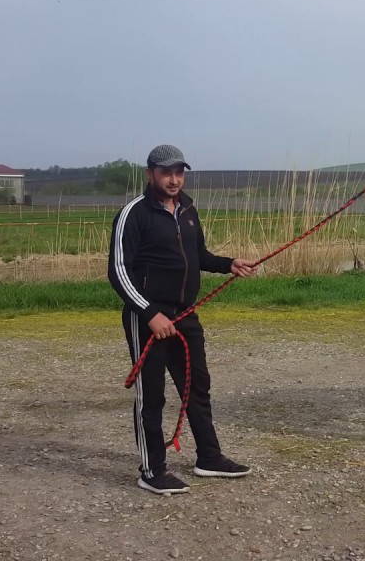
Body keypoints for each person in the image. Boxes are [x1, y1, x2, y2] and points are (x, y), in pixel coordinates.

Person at [108, 143, 256, 495]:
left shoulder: (188, 208)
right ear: (150, 174)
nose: (174, 179)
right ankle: (152, 469)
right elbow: (118, 272)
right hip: (148, 318)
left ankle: (209, 457)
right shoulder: (134, 213)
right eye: (166, 172)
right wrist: (150, 314)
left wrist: (228, 263)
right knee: (152, 397)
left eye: (179, 172)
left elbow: (197, 254)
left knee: (196, 387)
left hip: (186, 315)